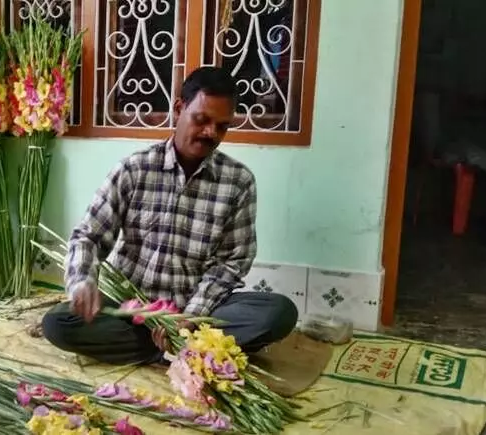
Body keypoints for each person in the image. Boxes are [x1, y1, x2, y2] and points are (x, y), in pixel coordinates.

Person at [41, 66, 298, 365]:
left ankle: (174, 346)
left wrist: (190, 318)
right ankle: (179, 351)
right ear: (179, 109)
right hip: (131, 308)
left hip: (199, 312)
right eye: (202, 120)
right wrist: (83, 281)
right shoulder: (134, 169)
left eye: (222, 126)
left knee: (278, 313)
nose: (210, 133)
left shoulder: (238, 182)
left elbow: (233, 262)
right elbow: (89, 236)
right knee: (58, 323)